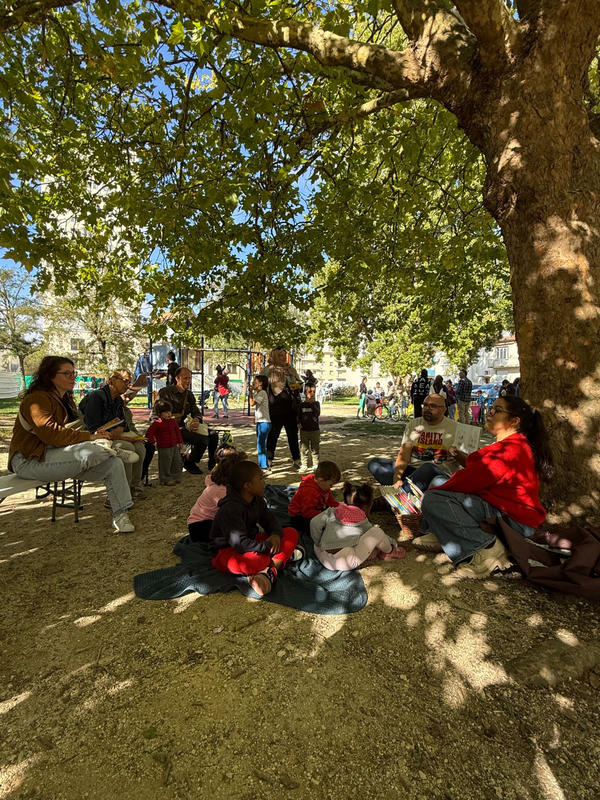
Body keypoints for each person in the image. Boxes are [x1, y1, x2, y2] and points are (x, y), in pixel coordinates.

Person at [415, 396, 554, 579]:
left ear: (514, 421)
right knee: (438, 483)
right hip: (501, 508)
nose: (489, 413)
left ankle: (485, 548)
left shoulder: (510, 449)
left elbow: (471, 479)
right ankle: (443, 534)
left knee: (434, 498)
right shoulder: (511, 445)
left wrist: (429, 496)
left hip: (515, 520)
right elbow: (478, 472)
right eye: (490, 407)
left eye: (497, 410)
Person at [8, 356, 135, 533]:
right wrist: (90, 437)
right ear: (50, 375)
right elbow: (52, 434)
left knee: (114, 464)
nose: (73, 377)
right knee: (91, 451)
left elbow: (69, 432)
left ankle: (120, 515)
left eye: (73, 373)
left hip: (55, 455)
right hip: (29, 461)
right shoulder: (36, 400)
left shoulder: (63, 399)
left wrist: (92, 435)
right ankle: (110, 449)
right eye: (66, 373)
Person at [210, 461, 301, 596]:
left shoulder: (256, 500)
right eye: (260, 479)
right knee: (256, 561)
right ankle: (280, 559)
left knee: (290, 532)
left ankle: (269, 570)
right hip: (227, 551)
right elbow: (240, 544)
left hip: (252, 541)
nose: (264, 483)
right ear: (247, 486)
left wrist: (275, 534)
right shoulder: (230, 509)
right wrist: (267, 546)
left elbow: (270, 520)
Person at [367, 394, 458, 490]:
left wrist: (457, 454)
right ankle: (409, 491)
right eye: (425, 405)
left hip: (438, 475)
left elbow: (466, 463)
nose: (427, 409)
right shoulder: (413, 424)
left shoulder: (455, 428)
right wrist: (396, 478)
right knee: (375, 464)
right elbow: (404, 455)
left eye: (433, 406)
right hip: (414, 472)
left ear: (444, 409)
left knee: (428, 468)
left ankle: (403, 494)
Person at [79, 369, 146, 498]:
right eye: (125, 381)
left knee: (140, 447)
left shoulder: (118, 401)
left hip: (113, 436)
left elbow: (122, 423)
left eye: (129, 382)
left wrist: (121, 431)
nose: (128, 385)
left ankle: (135, 486)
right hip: (98, 438)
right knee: (128, 448)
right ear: (112, 381)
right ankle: (120, 493)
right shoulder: (96, 397)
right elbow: (92, 427)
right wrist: (118, 434)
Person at [311, 482, 405, 571]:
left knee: (359, 542)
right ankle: (390, 552)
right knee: (376, 532)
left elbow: (314, 522)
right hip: (343, 562)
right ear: (367, 507)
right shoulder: (362, 522)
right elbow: (379, 537)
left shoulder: (331, 511)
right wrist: (393, 544)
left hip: (322, 555)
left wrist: (318, 541)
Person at [152, 367, 218, 474]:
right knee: (202, 440)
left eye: (189, 378)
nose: (188, 381)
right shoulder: (165, 392)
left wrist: (196, 420)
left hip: (186, 426)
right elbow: (155, 414)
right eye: (185, 378)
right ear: (177, 378)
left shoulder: (189, 394)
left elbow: (196, 411)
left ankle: (212, 464)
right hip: (172, 429)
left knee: (214, 435)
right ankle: (189, 462)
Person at [187, 447, 246, 542]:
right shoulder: (221, 491)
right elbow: (234, 511)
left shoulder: (223, 485)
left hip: (206, 523)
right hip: (200, 527)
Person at [259, 347, 302, 468]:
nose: (283, 358)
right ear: (274, 356)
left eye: (284, 355)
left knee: (292, 435)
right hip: (274, 408)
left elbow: (299, 385)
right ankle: (269, 459)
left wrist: (294, 382)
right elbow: (259, 386)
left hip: (291, 408)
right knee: (273, 435)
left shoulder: (290, 369)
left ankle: (296, 459)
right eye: (280, 355)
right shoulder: (268, 370)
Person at [287, 460, 341, 530]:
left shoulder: (324, 487)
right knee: (324, 526)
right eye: (330, 485)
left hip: (316, 509)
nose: (331, 488)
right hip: (299, 516)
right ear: (321, 480)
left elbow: (331, 501)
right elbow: (307, 513)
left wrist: (340, 508)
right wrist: (325, 514)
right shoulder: (309, 491)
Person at [144, 399, 184, 485]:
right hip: (163, 446)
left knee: (176, 461)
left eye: (169, 412)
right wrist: (152, 442)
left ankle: (175, 476)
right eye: (166, 412)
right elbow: (149, 433)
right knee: (165, 463)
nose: (169, 414)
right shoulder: (157, 423)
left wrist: (180, 442)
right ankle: (165, 478)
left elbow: (177, 432)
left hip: (174, 445)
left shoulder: (173, 421)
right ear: (160, 413)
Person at [249, 375, 271, 472]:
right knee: (260, 443)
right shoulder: (259, 393)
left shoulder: (262, 393)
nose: (253, 383)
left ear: (260, 383)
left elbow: (252, 403)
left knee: (261, 444)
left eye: (255, 381)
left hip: (264, 422)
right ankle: (262, 464)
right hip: (261, 421)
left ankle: (264, 466)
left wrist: (250, 393)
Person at [298, 383, 320, 473]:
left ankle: (316, 464)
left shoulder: (316, 404)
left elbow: (317, 413)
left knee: (315, 448)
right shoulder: (301, 405)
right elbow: (298, 415)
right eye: (310, 392)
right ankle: (304, 464)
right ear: (305, 392)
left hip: (314, 430)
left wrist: (312, 404)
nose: (312, 394)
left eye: (314, 392)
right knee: (304, 448)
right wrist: (298, 423)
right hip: (304, 430)